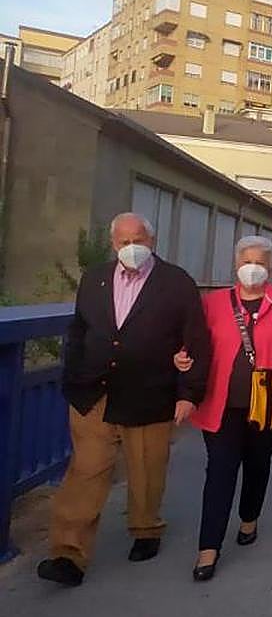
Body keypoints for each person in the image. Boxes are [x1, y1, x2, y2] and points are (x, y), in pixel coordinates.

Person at [37, 212, 211, 587]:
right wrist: (73, 375)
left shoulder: (176, 283)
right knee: (86, 471)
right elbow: (79, 331)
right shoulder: (94, 278)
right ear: (113, 243)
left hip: (150, 394)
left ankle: (146, 528)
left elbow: (196, 341)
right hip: (94, 392)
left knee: (146, 471)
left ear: (152, 242)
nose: (131, 248)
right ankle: (68, 555)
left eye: (138, 240)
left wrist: (189, 393)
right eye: (123, 241)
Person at [178, 235, 272, 581]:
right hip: (221, 406)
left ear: (270, 268)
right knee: (220, 472)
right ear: (235, 265)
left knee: (257, 465)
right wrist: (181, 357)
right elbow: (191, 342)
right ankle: (208, 549)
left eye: (258, 263)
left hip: (268, 406)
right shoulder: (213, 304)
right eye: (245, 262)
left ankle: (249, 517)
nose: (251, 269)